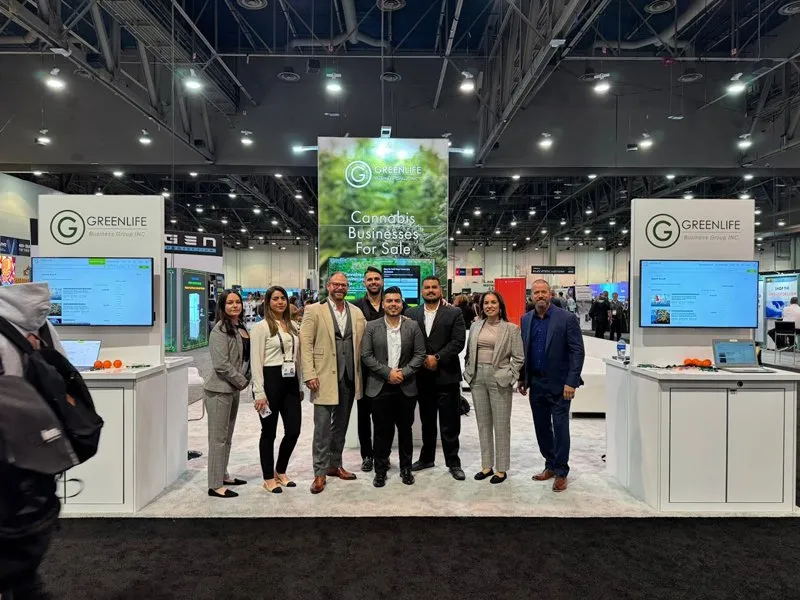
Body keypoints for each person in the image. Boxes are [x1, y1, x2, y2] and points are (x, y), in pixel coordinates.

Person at [0, 282, 65, 600]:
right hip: (41, 443)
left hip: (6, 447)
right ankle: (25, 583)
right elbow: (65, 374)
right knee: (33, 513)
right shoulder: (45, 327)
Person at [299, 272, 366, 494]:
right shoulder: (313, 310)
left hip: (348, 376)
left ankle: (334, 465)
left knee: (341, 426)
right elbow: (305, 343)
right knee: (322, 429)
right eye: (336, 284)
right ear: (328, 286)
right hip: (323, 377)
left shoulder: (356, 312)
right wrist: (309, 374)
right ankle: (319, 473)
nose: (340, 288)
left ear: (348, 288)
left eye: (344, 285)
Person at [518, 279, 585, 492]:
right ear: (531, 296)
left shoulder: (566, 318)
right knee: (542, 428)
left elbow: (577, 351)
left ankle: (562, 471)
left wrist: (571, 381)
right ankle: (550, 464)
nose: (540, 296)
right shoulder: (526, 319)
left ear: (550, 294)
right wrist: (522, 378)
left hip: (560, 384)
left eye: (543, 292)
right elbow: (524, 352)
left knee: (561, 428)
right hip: (536, 383)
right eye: (536, 292)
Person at [361, 287, 426, 488]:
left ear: (402, 303)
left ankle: (406, 468)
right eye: (389, 301)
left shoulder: (413, 326)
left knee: (405, 430)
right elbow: (366, 356)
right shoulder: (371, 326)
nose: (393, 304)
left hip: (405, 387)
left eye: (397, 301)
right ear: (382, 304)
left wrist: (402, 373)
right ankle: (380, 470)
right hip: (379, 386)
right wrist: (387, 373)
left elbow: (420, 355)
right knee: (381, 431)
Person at [405, 277, 467, 480]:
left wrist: (438, 358)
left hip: (447, 375)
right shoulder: (411, 314)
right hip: (422, 377)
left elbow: (458, 341)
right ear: (422, 290)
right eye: (427, 287)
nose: (430, 290)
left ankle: (453, 462)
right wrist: (423, 359)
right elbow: (408, 342)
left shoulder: (454, 313)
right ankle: (426, 458)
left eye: (434, 287)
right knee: (427, 421)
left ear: (440, 290)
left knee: (450, 423)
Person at [464, 291, 524, 484]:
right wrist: (468, 373)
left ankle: (501, 468)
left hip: (499, 378)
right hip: (477, 378)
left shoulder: (511, 329)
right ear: (482, 306)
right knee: (483, 424)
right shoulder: (475, 326)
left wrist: (510, 376)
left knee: (501, 425)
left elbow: (519, 357)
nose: (489, 306)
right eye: (486, 303)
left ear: (500, 306)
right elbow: (469, 352)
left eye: (493, 303)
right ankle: (487, 465)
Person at [250, 286, 301, 495]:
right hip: (269, 382)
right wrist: (259, 392)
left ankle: (281, 470)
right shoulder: (260, 327)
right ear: (268, 302)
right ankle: (268, 478)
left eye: (283, 298)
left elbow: (298, 356)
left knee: (293, 431)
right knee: (268, 432)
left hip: (290, 381)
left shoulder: (293, 326)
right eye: (275, 299)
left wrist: (300, 384)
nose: (280, 302)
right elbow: (256, 361)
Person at [204, 289, 251, 498]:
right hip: (219, 390)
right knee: (218, 438)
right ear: (222, 306)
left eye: (237, 302)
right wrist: (241, 380)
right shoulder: (219, 330)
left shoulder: (240, 326)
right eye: (230, 303)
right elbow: (221, 364)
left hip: (233, 389)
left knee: (227, 436)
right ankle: (215, 485)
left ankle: (222, 474)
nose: (235, 306)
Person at [352, 266, 385, 472]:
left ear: (382, 281)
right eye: (369, 279)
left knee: (384, 417)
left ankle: (383, 454)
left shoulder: (393, 303)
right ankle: (367, 455)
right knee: (363, 417)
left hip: (387, 370)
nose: (373, 282)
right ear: (364, 283)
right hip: (362, 370)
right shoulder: (355, 307)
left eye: (376, 278)